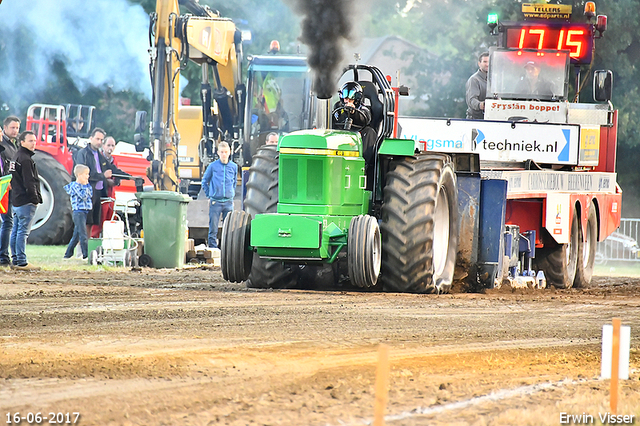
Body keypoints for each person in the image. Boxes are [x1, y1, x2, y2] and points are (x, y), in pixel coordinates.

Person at [74, 128, 128, 239]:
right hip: (86, 191)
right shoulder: (83, 153)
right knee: (84, 221)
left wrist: (129, 177)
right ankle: (81, 247)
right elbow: (82, 173)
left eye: (101, 140)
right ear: (91, 138)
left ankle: (87, 248)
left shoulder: (99, 155)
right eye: (97, 139)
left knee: (92, 221)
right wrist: (102, 176)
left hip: (98, 193)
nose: (99, 142)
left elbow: (112, 169)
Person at [332, 81, 377, 189]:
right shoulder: (338, 107)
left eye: (350, 99)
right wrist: (344, 111)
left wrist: (353, 112)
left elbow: (365, 118)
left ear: (356, 99)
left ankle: (364, 165)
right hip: (341, 135)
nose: (347, 101)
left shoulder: (364, 109)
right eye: (345, 98)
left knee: (370, 132)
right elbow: (336, 118)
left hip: (359, 136)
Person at [9, 131, 42, 270]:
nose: (33, 143)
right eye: (30, 141)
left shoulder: (15, 156)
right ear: (22, 142)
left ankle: (15, 259)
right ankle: (22, 261)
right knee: (23, 231)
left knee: (15, 230)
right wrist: (35, 199)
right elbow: (30, 182)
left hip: (16, 200)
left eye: (34, 140)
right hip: (25, 201)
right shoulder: (26, 159)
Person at [201, 141, 237, 249]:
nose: (224, 154)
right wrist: (209, 195)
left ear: (230, 152)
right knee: (213, 227)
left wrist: (232, 193)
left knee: (229, 228)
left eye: (226, 152)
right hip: (215, 202)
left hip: (228, 202)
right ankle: (213, 248)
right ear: (218, 153)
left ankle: (226, 248)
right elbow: (204, 181)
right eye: (222, 152)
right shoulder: (213, 166)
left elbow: (234, 182)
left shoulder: (234, 167)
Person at [0, 116, 21, 266]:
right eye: (12, 128)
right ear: (4, 128)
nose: (15, 131)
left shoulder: (14, 145)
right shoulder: (3, 146)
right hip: (4, 187)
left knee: (9, 221)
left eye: (17, 128)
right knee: (8, 221)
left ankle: (5, 256)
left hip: (10, 187)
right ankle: (3, 256)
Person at [465, 52, 489, 119]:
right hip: (475, 120)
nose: (487, 64)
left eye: (489, 62)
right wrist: (481, 105)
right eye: (485, 62)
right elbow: (472, 100)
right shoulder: (474, 80)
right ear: (479, 64)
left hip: (490, 118)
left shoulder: (494, 80)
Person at [101, 136, 118, 224]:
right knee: (99, 220)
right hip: (101, 194)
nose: (110, 148)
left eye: (112, 145)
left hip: (111, 195)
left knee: (110, 220)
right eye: (108, 145)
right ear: (103, 146)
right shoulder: (98, 158)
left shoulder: (114, 160)